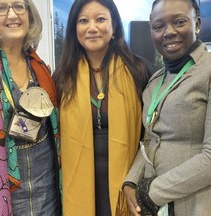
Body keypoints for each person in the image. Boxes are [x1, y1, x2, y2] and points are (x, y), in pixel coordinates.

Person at [122, 0, 211, 215]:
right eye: (158, 26)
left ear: (197, 23)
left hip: (208, 204)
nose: (168, 32)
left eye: (179, 22)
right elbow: (149, 140)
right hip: (163, 206)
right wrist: (131, 181)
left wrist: (151, 193)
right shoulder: (154, 81)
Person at [52, 0, 152, 215]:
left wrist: (134, 180)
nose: (92, 28)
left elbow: (151, 136)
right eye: (83, 21)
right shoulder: (61, 78)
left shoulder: (139, 71)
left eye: (100, 19)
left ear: (114, 25)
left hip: (128, 185)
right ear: (74, 29)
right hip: (77, 187)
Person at [0, 0, 61, 215]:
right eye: (1, 8)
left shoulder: (39, 66)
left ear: (29, 13)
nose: (12, 14)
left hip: (47, 195)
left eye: (18, 6)